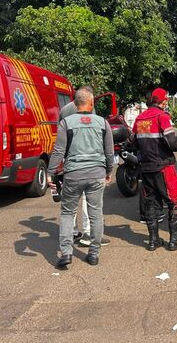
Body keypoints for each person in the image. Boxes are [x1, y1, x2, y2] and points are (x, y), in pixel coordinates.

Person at [47, 87, 115, 269]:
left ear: (75, 103)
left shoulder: (66, 123)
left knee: (68, 213)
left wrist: (50, 172)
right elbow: (109, 152)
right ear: (92, 102)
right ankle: (93, 254)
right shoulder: (103, 123)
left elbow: (59, 150)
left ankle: (67, 253)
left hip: (73, 174)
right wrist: (108, 171)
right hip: (96, 174)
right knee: (95, 213)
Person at [132, 87, 177, 251]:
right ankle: (174, 241)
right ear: (163, 101)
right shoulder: (162, 117)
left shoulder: (140, 119)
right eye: (167, 100)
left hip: (146, 168)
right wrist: (175, 148)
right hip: (163, 167)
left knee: (151, 203)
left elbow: (133, 142)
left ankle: (153, 241)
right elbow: (171, 143)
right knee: (175, 202)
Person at [57, 86, 110, 248]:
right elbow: (95, 136)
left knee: (69, 205)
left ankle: (72, 233)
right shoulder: (91, 113)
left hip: (71, 163)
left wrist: (53, 170)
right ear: (89, 99)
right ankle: (89, 234)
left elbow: (60, 141)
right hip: (91, 163)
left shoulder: (64, 110)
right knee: (91, 203)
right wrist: (108, 170)